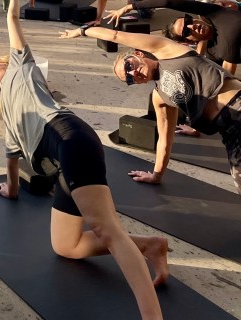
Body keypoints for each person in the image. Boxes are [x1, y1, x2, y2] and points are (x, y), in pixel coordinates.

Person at [0, 0, 172, 320]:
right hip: (62, 163)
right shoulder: (6, 113)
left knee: (107, 229)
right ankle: (151, 246)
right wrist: (11, 189)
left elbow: (11, 21)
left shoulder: (22, 68)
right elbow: (11, 160)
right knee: (66, 246)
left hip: (70, 137)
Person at [60, 21, 241, 195]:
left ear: (139, 54)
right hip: (230, 133)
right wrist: (157, 175)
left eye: (129, 65)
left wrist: (82, 31)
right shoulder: (159, 97)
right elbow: (164, 139)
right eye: (129, 78)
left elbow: (115, 35)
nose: (133, 73)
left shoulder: (167, 51)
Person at [107, 0, 241, 72]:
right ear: (188, 41)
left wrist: (128, 7)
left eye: (189, 20)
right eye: (186, 32)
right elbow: (224, 77)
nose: (192, 26)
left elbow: (167, 3)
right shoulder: (214, 53)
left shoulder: (214, 13)